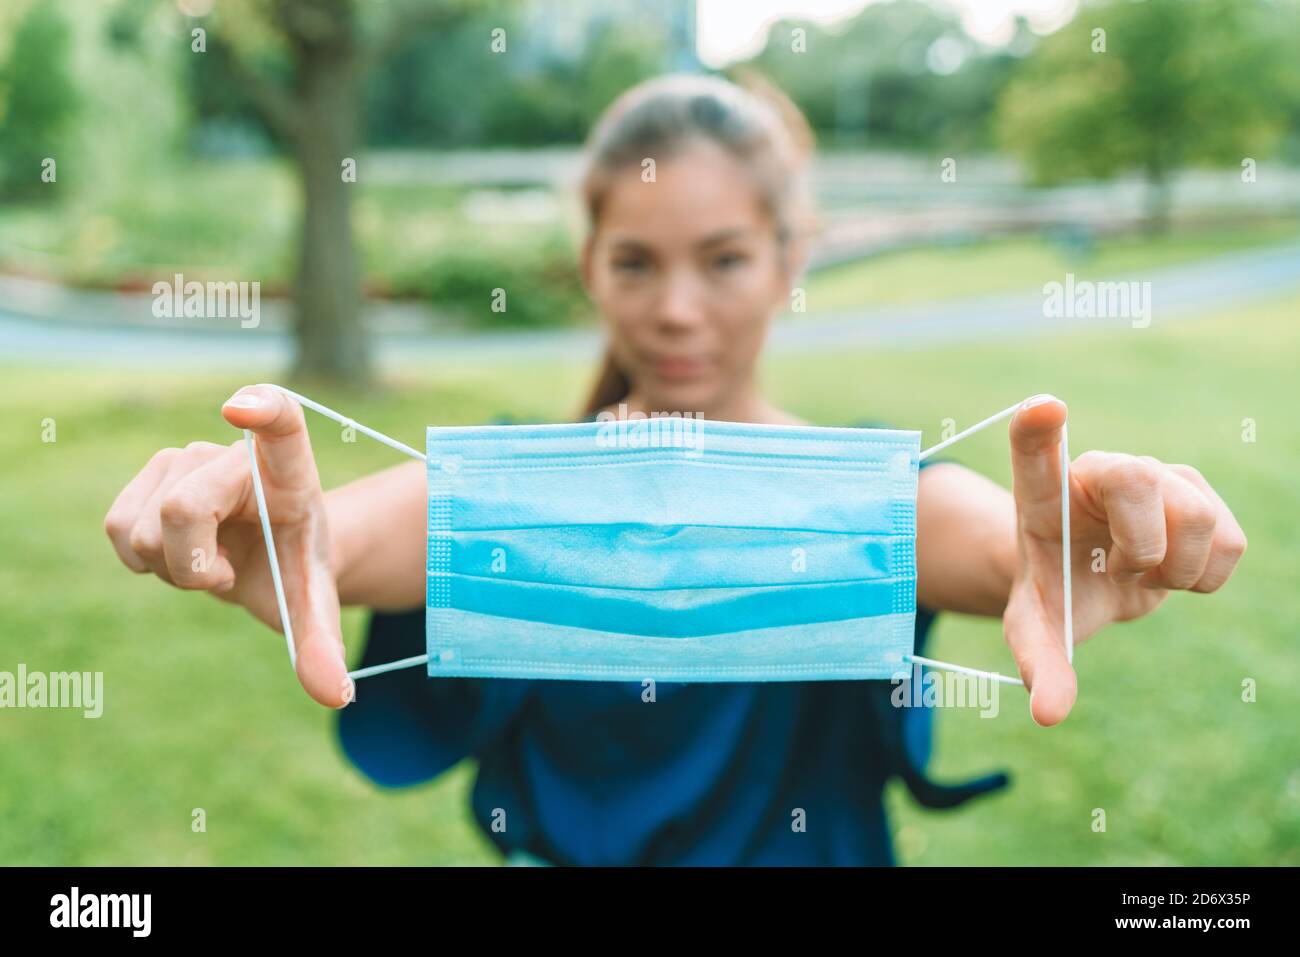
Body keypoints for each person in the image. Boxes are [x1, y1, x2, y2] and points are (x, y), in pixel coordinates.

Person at [103, 73, 1247, 866]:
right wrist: (275, 535)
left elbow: (985, 539)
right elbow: (349, 537)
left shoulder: (862, 491)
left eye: (727, 260)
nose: (679, 309)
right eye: (638, 262)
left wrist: (1059, 551)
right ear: (588, 266)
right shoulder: (518, 488)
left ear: (791, 258)